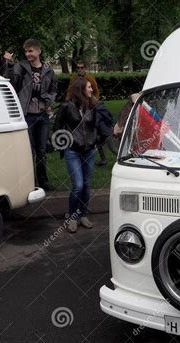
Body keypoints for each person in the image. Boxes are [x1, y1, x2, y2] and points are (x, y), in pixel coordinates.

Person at [3, 39, 57, 191]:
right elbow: (11, 81)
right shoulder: (21, 67)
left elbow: (54, 89)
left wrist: (49, 102)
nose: (28, 54)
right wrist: (10, 64)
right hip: (27, 115)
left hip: (42, 115)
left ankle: (43, 181)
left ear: (38, 51)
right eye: (26, 51)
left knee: (41, 150)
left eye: (31, 51)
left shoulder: (48, 70)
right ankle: (29, 183)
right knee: (29, 150)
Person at [54, 78, 99, 233]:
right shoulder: (67, 107)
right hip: (73, 150)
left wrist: (96, 140)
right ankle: (73, 217)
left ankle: (84, 215)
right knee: (78, 185)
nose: (91, 90)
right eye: (89, 87)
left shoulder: (93, 105)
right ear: (80, 89)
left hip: (90, 150)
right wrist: (64, 144)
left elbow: (98, 125)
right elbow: (57, 127)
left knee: (86, 184)